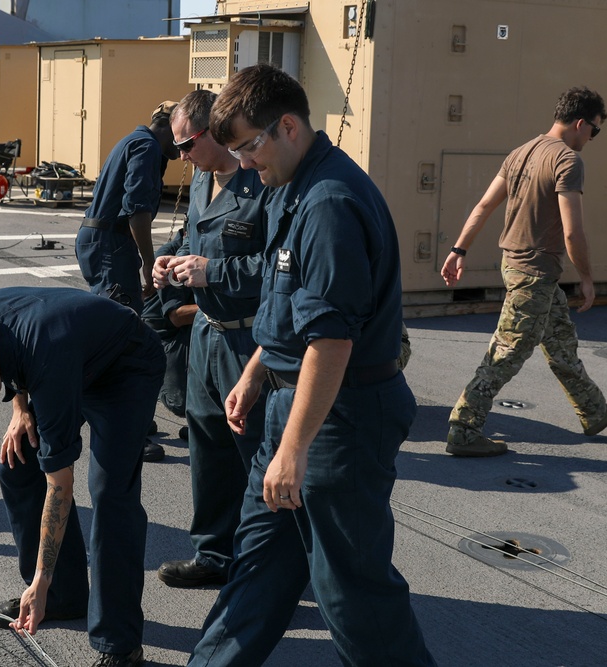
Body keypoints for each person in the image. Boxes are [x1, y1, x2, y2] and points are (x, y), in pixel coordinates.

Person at [187, 64, 435, 666]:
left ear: (288, 127)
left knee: (349, 590)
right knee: (258, 570)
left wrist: (293, 450)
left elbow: (330, 343)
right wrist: (253, 375)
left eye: (249, 146)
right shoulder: (288, 189)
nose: (243, 163)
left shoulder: (328, 202)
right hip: (289, 404)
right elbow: (285, 307)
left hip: (337, 421)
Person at [0, 287, 164, 667]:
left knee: (111, 494)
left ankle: (120, 643)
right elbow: (11, 363)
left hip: (124, 367)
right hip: (65, 360)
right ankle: (62, 596)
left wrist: (39, 578)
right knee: (18, 461)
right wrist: (19, 408)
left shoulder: (46, 355)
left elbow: (60, 485)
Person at [442, 86, 607, 457]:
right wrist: (585, 277)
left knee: (561, 344)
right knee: (506, 353)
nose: (592, 138)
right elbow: (572, 231)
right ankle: (464, 428)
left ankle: (595, 412)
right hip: (533, 273)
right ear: (580, 123)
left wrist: (458, 249)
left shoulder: (521, 152)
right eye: (594, 130)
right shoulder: (567, 161)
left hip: (520, 268)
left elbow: (485, 205)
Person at [150, 89, 272, 589]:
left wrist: (211, 270)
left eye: (188, 144)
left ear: (216, 133)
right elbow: (191, 237)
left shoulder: (262, 181)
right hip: (207, 335)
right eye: (176, 147)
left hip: (249, 344)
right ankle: (213, 555)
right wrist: (168, 257)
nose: (181, 156)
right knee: (207, 452)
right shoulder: (202, 180)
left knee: (257, 456)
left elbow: (280, 268)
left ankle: (271, 562)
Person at [75, 101, 181, 316]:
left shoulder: (131, 141)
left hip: (98, 238)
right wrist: (149, 261)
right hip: (110, 242)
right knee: (122, 318)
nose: (182, 145)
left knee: (109, 314)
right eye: (181, 135)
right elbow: (137, 208)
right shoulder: (147, 146)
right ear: (171, 127)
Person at [141, 225, 198, 427]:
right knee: (178, 403)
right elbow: (177, 316)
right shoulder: (168, 256)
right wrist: (222, 311)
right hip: (166, 337)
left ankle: (200, 422)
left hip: (186, 331)